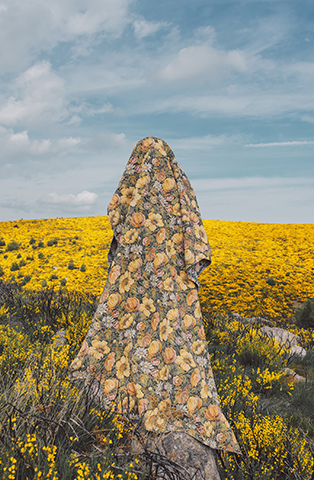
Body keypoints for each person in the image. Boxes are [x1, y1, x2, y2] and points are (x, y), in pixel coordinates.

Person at [69, 136, 240, 454]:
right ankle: (172, 392)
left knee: (130, 330)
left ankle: (126, 394)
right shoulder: (180, 183)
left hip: (135, 277)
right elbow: (196, 238)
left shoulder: (133, 185)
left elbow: (116, 213)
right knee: (173, 336)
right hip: (172, 283)